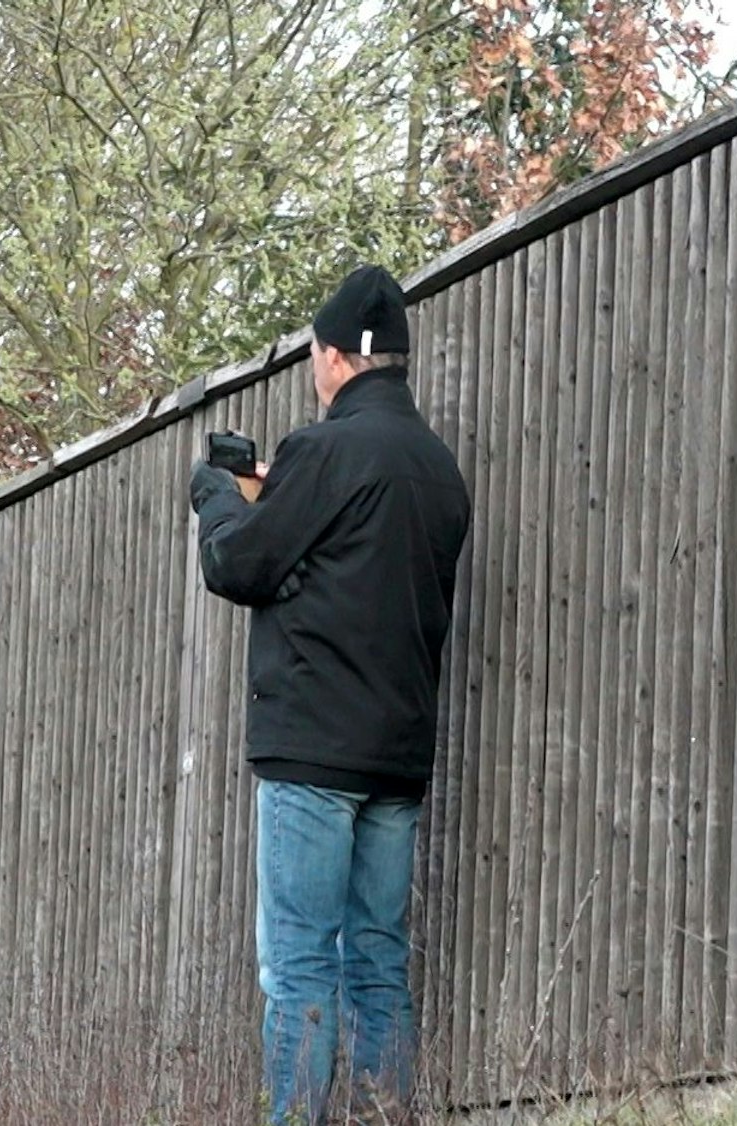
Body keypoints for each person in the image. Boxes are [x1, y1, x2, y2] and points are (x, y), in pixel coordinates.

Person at [189, 265, 472, 1123]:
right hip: (397, 756)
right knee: (378, 957)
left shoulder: (325, 452)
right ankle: (386, 1112)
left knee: (301, 963)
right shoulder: (438, 469)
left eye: (316, 355)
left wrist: (217, 500)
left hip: (314, 751)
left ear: (340, 358)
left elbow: (239, 564)